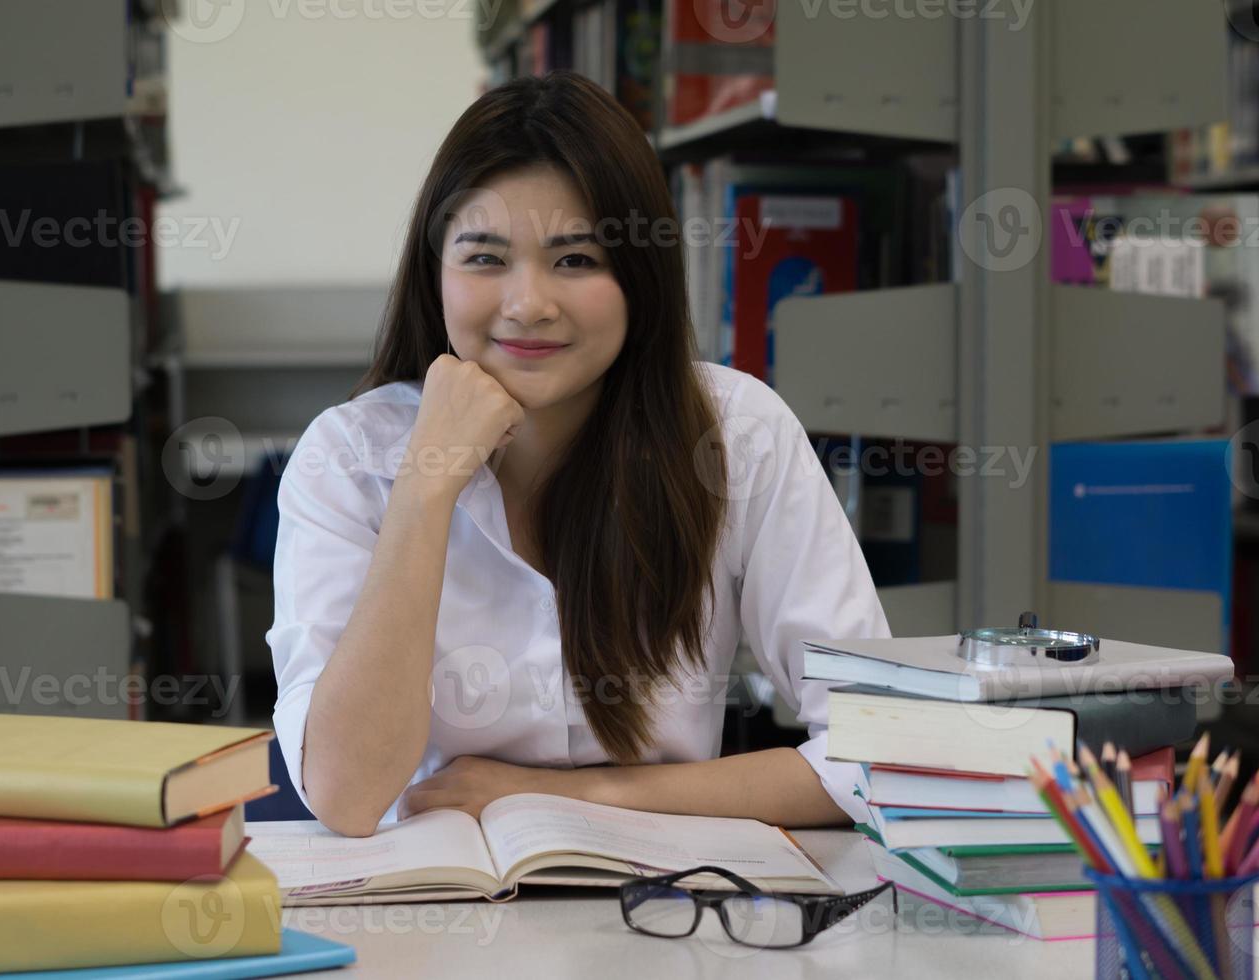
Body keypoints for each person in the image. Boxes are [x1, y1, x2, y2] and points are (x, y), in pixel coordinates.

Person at [266, 70, 890, 838]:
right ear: (435, 275)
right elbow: (345, 793)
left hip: (667, 913)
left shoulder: (736, 435)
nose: (528, 304)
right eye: (485, 259)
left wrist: (572, 798)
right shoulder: (349, 456)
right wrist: (426, 487)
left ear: (640, 279)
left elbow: (885, 752)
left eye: (575, 260)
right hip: (436, 922)